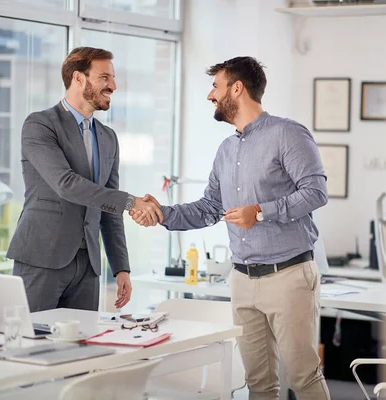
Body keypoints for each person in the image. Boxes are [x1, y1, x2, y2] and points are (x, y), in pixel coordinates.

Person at [133, 56, 331, 399]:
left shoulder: (287, 133)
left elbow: (315, 193)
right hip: (242, 279)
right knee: (258, 383)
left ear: (236, 88)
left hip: (288, 275)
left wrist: (262, 212)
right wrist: (162, 212)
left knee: (303, 377)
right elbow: (210, 208)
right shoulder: (226, 150)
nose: (210, 95)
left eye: (215, 86)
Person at [7, 47, 162, 313]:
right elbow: (66, 183)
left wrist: (121, 268)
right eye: (104, 77)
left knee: (83, 348)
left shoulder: (108, 137)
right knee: (30, 341)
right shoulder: (40, 125)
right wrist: (131, 201)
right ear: (78, 79)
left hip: (88, 266)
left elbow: (108, 207)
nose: (112, 85)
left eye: (112, 78)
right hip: (42, 258)